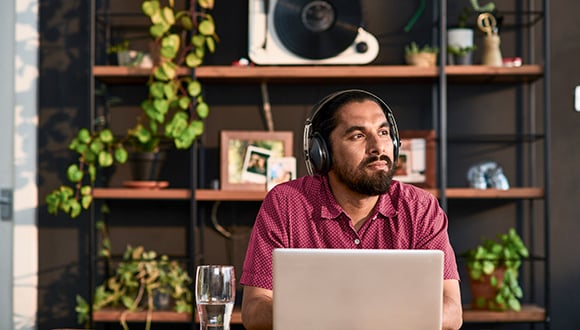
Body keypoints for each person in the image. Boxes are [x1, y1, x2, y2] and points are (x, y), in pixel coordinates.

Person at [240, 89, 463, 330]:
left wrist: (343, 313)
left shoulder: (420, 208)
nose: (378, 147)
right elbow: (254, 311)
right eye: (358, 135)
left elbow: (451, 312)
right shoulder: (286, 204)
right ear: (322, 152)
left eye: (384, 132)